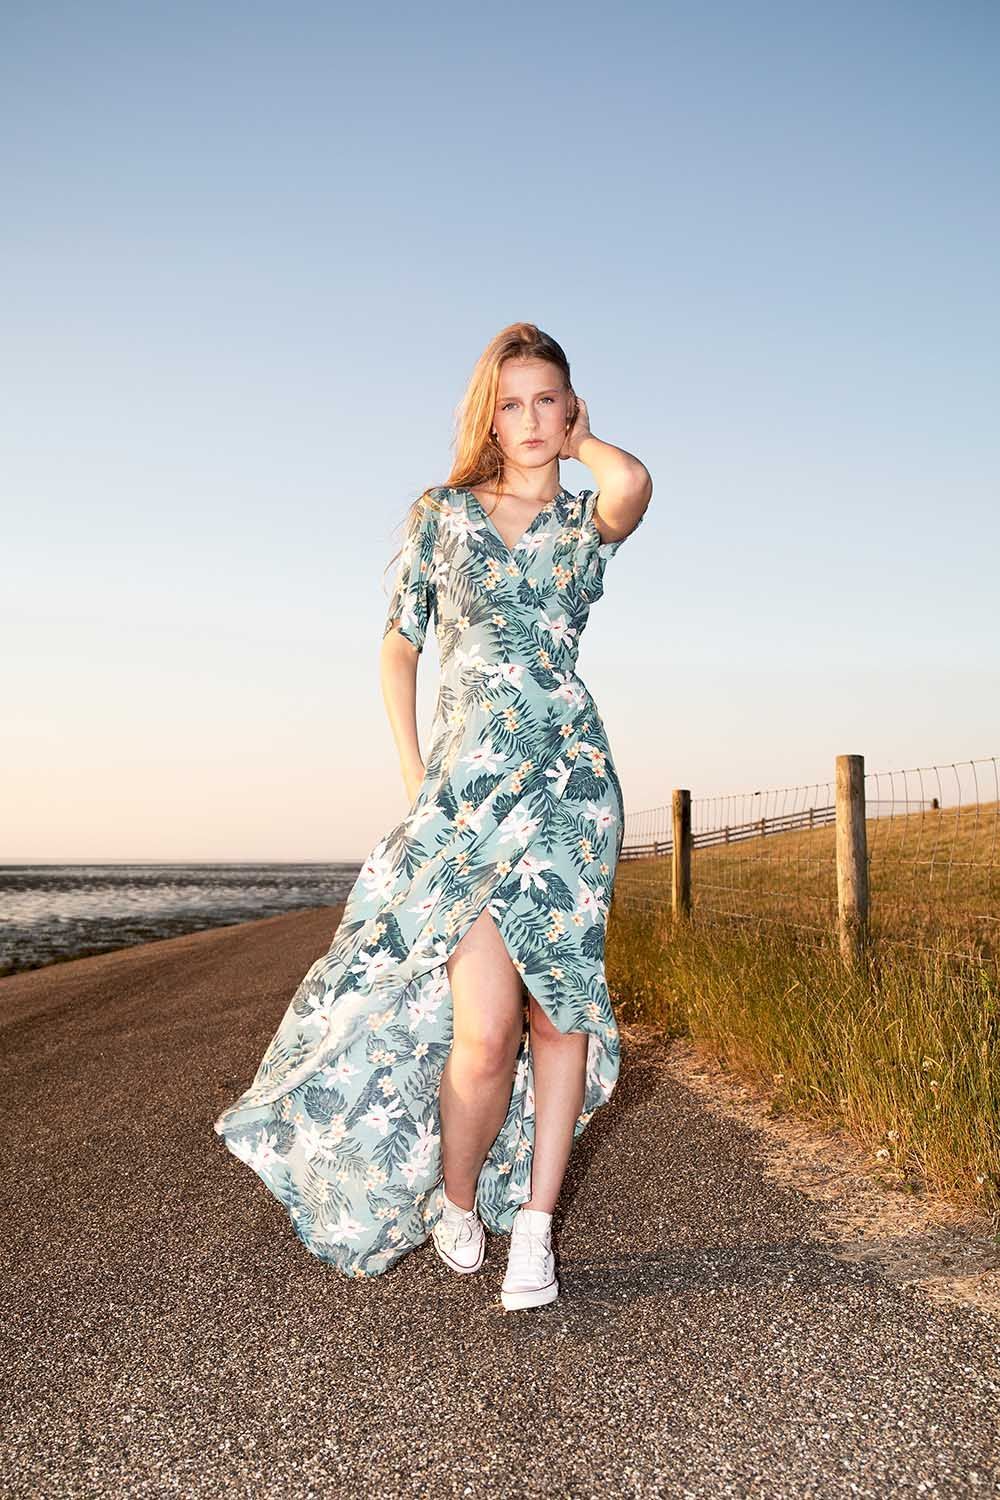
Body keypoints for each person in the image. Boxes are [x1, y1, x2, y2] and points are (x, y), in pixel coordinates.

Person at [214, 321, 651, 1311]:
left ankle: (535, 1232)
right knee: (485, 1031)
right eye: (512, 403)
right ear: (487, 418)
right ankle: (458, 1200)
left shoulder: (583, 521)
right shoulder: (442, 516)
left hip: (569, 788)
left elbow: (633, 484)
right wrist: (416, 773)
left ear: (569, 407)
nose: (530, 420)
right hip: (463, 792)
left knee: (561, 1009)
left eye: (547, 401)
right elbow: (397, 647)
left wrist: (584, 443)